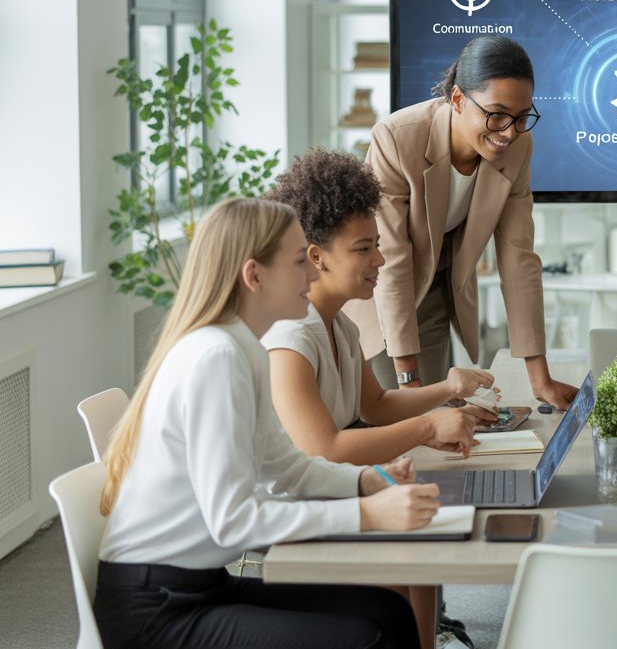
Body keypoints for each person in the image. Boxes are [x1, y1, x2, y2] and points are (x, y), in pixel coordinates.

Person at [95, 197, 440, 649]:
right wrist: (366, 513)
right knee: (365, 637)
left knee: (387, 610)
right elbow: (232, 522)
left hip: (199, 585)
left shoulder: (243, 349)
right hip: (156, 609)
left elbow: (286, 464)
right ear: (254, 275)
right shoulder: (216, 357)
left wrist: (366, 482)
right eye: (300, 262)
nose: (314, 274)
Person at [263, 148, 499, 649]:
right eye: (364, 249)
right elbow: (322, 448)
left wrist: (447, 392)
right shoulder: (291, 338)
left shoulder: (340, 325)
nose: (381, 260)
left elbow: (375, 406)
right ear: (316, 256)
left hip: (329, 490)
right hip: (291, 512)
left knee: (423, 536)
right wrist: (430, 428)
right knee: (409, 546)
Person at [346, 36, 577, 409]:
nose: (509, 132)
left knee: (441, 420)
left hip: (439, 284)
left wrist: (541, 380)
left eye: (521, 117)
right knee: (398, 416)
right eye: (497, 114)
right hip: (379, 288)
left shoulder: (518, 146)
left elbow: (519, 260)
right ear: (457, 99)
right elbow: (391, 259)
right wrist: (409, 383)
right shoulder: (396, 138)